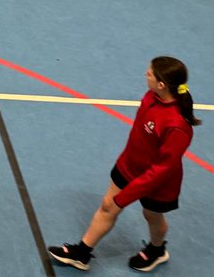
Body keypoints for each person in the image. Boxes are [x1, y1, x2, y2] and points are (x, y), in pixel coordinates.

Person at [48, 57, 201, 273]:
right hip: (129, 166)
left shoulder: (177, 126)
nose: (145, 74)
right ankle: (82, 254)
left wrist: (126, 197)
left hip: (157, 183)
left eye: (150, 73)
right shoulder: (151, 96)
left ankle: (157, 250)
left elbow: (161, 170)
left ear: (162, 84)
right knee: (107, 206)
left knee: (151, 215)